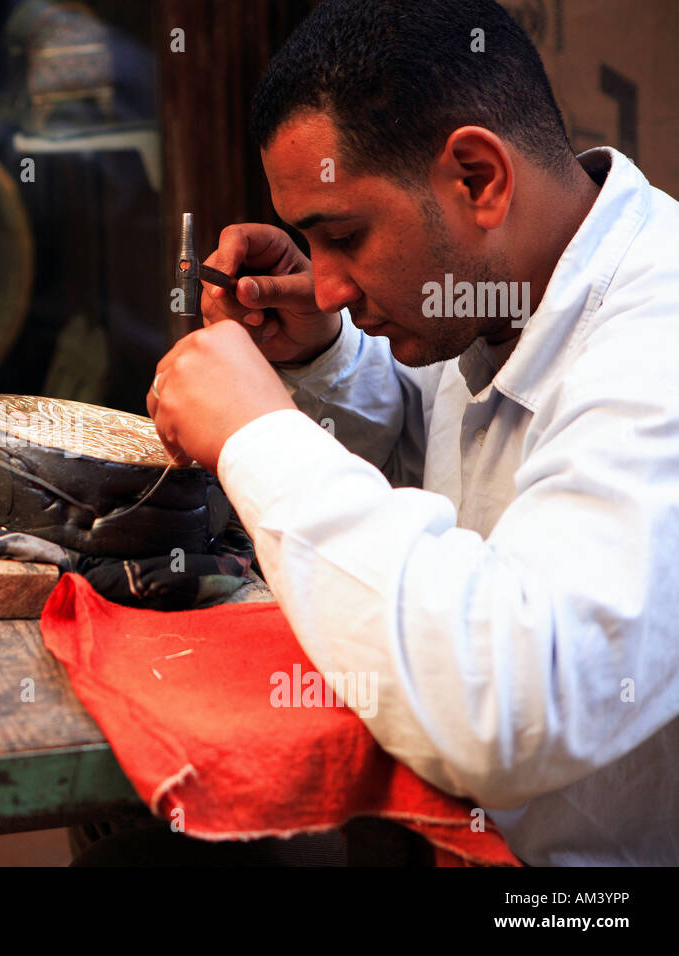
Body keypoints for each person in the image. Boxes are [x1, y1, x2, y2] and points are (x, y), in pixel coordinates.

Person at [146, 0, 679, 865]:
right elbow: (445, 454)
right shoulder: (497, 292)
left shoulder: (660, 345)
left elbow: (508, 701)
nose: (325, 286)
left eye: (345, 235)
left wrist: (256, 433)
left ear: (477, 178)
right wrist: (324, 358)